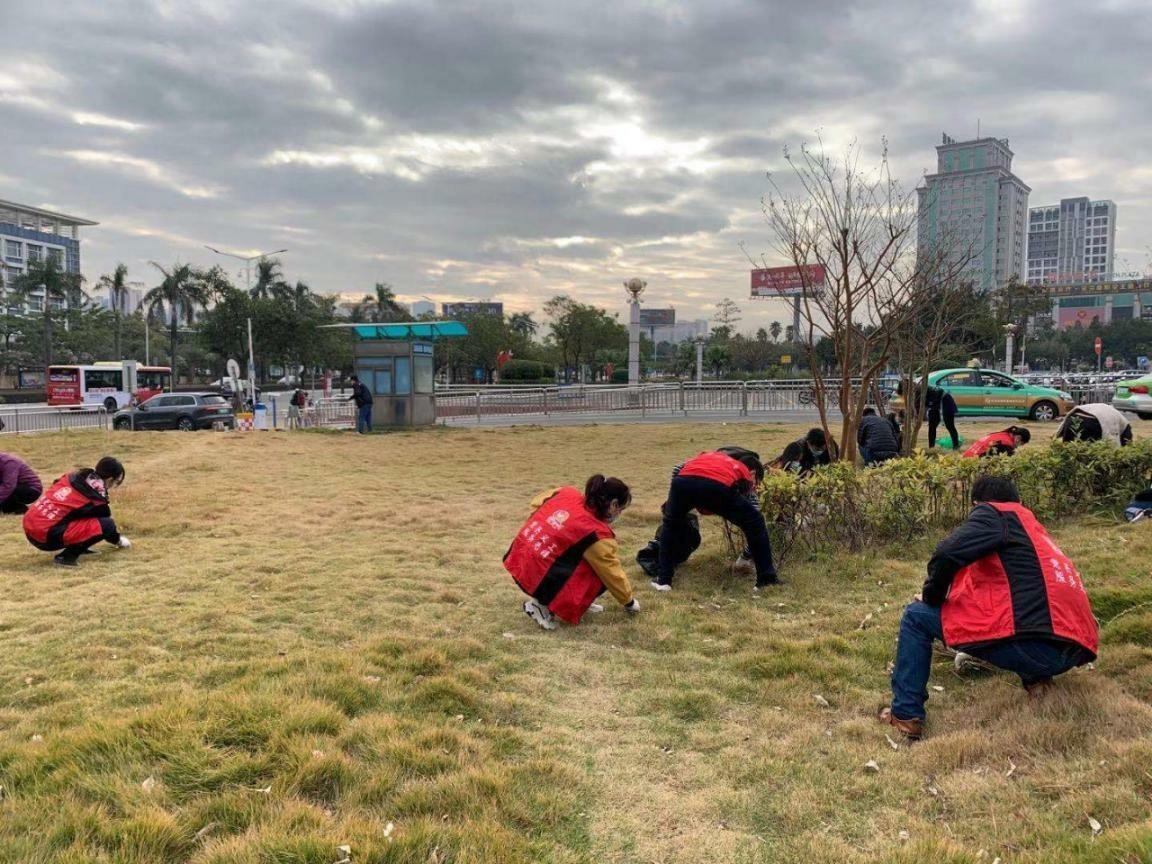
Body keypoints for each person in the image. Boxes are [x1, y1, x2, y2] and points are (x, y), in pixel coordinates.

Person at [880, 476, 1097, 740]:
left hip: (1036, 646)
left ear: (977, 504)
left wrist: (932, 597)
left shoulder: (995, 515)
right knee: (1018, 613)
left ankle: (905, 716)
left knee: (916, 617)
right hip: (1074, 648)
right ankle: (1039, 683)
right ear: (1018, 501)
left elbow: (947, 553)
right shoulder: (1032, 528)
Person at [504, 475, 639, 630]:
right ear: (614, 505)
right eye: (621, 510)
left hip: (520, 556)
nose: (619, 514)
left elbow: (535, 504)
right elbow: (611, 572)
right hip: (538, 574)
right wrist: (629, 601)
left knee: (581, 558)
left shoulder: (565, 493)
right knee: (597, 571)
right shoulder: (596, 534)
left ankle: (582, 603)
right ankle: (540, 605)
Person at [653, 447, 777, 591]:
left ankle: (664, 581)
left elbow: (679, 468)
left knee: (670, 526)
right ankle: (766, 580)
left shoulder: (715, 457)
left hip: (682, 482)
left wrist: (676, 504)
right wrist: (746, 556)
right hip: (716, 486)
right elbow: (752, 516)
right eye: (757, 484)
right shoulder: (743, 472)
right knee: (756, 522)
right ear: (753, 474)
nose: (755, 488)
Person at [23, 457, 133, 567]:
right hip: (44, 536)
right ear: (109, 479)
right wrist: (119, 541)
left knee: (78, 515)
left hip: (29, 523)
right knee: (105, 524)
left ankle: (79, 546)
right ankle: (66, 558)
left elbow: (55, 485)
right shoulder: (95, 500)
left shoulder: (73, 476)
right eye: (115, 482)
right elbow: (107, 528)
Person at [1054, 403, 1133, 446]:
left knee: (1069, 450)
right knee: (1091, 454)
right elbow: (1122, 446)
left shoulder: (1118, 419)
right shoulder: (1125, 427)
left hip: (1072, 417)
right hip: (1091, 421)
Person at [925, 385, 960, 451]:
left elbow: (939, 391)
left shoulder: (921, 390)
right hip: (935, 405)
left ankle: (956, 446)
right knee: (932, 426)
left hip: (945, 401)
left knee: (950, 425)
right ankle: (931, 448)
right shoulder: (917, 392)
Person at [963, 425, 1030, 458]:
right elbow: (1007, 461)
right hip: (972, 461)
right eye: (1021, 444)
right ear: (1018, 438)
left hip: (967, 457)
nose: (1018, 446)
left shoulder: (1003, 434)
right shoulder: (1006, 443)